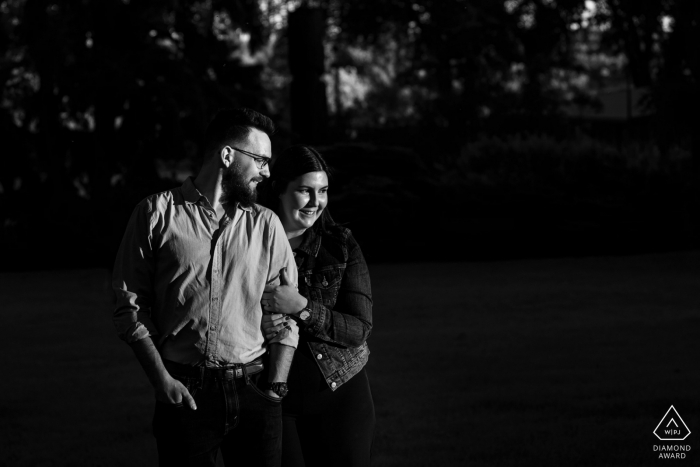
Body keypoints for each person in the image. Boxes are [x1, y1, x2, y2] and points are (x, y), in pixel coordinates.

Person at [112, 108, 299, 467]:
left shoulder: (267, 225)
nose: (268, 172)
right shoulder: (155, 214)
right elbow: (130, 307)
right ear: (227, 155)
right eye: (261, 159)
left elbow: (284, 314)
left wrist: (274, 388)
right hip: (183, 394)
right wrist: (161, 380)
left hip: (255, 389)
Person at [260, 146, 375, 467]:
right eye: (305, 191)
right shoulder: (250, 245)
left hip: (340, 392)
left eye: (322, 191)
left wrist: (301, 307)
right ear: (279, 189)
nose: (316, 202)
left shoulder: (339, 245)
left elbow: (359, 329)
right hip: (272, 395)